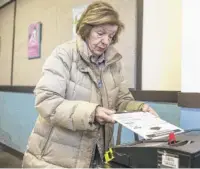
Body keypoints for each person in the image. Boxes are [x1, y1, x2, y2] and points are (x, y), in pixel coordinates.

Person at [22, 1, 158, 168]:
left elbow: (121, 101)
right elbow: (46, 101)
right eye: (100, 33)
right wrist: (91, 113)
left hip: (97, 157)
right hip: (55, 158)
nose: (105, 41)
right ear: (86, 29)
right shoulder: (64, 54)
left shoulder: (113, 63)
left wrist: (139, 108)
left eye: (111, 36)